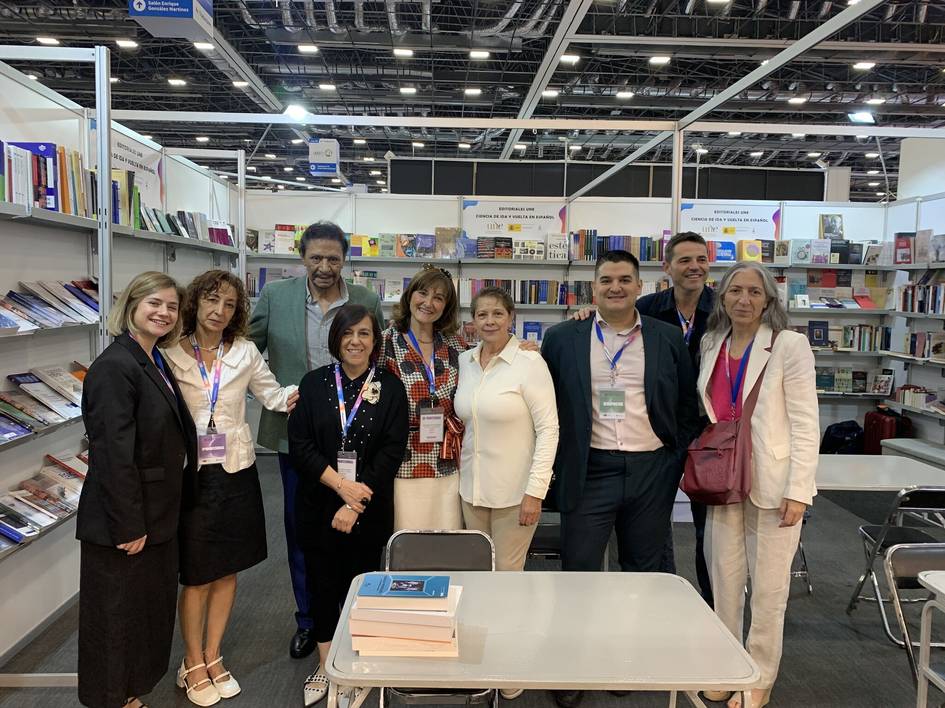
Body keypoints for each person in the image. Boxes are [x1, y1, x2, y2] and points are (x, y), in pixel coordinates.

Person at [540, 249, 701, 708]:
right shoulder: (562, 338)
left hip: (652, 469)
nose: (615, 287)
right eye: (606, 280)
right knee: (579, 571)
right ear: (593, 287)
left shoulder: (667, 337)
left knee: (642, 572)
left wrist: (673, 457)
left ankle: (625, 657)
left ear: (640, 286)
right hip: (589, 470)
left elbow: (687, 405)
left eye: (625, 280)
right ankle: (571, 667)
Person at [163, 270, 299, 706]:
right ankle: (191, 661)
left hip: (237, 472)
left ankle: (213, 653)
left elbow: (275, 397)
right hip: (190, 476)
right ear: (195, 302)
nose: (219, 312)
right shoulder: (168, 354)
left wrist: (325, 387)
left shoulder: (243, 352)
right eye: (212, 301)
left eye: (229, 305)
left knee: (227, 568)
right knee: (197, 573)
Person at [249, 220, 383, 659]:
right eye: (315, 258)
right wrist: (275, 394)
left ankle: (352, 612)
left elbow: (383, 350)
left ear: (346, 258)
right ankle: (309, 620)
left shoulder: (364, 300)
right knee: (302, 531)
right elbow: (245, 352)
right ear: (301, 256)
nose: (324, 267)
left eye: (333, 258)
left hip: (358, 437)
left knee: (358, 525)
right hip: (297, 440)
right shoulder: (275, 297)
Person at [697, 262, 817, 708]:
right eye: (734, 291)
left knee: (768, 592)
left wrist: (799, 491)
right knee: (724, 582)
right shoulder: (713, 343)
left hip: (774, 483)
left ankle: (759, 679)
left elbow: (806, 423)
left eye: (753, 292)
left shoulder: (789, 345)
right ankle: (728, 666)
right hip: (724, 478)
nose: (743, 300)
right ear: (722, 297)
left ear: (768, 300)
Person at [76, 272, 197, 708]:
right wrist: (129, 524)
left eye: (171, 306)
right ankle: (111, 698)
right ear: (131, 305)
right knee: (114, 619)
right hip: (124, 522)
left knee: (139, 615)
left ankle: (126, 695)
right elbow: (112, 455)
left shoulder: (151, 358)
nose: (163, 312)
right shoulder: (114, 367)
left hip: (155, 513)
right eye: (154, 303)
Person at [288, 304, 408, 706]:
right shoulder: (313, 382)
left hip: (368, 507)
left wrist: (355, 502)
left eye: (364, 334)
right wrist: (342, 487)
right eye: (347, 334)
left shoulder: (390, 387)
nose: (355, 341)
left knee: (364, 588)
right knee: (322, 585)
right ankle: (325, 665)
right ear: (335, 339)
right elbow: (300, 445)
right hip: (318, 502)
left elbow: (392, 451)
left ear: (375, 341)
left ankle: (359, 663)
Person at [636, 232, 715, 605]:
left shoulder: (725, 308)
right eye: (684, 260)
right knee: (653, 525)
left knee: (709, 528)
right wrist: (586, 313)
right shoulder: (647, 307)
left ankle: (712, 605)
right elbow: (608, 323)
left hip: (711, 434)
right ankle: (663, 601)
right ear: (667, 267)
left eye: (700, 259)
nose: (694, 267)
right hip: (661, 431)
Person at [379, 264, 467, 530]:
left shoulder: (455, 345)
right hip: (403, 460)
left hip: (447, 457)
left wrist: (520, 346)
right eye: (423, 293)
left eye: (439, 298)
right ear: (410, 295)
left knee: (448, 537)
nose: (429, 303)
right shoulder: (386, 343)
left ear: (446, 306)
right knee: (409, 538)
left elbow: (490, 361)